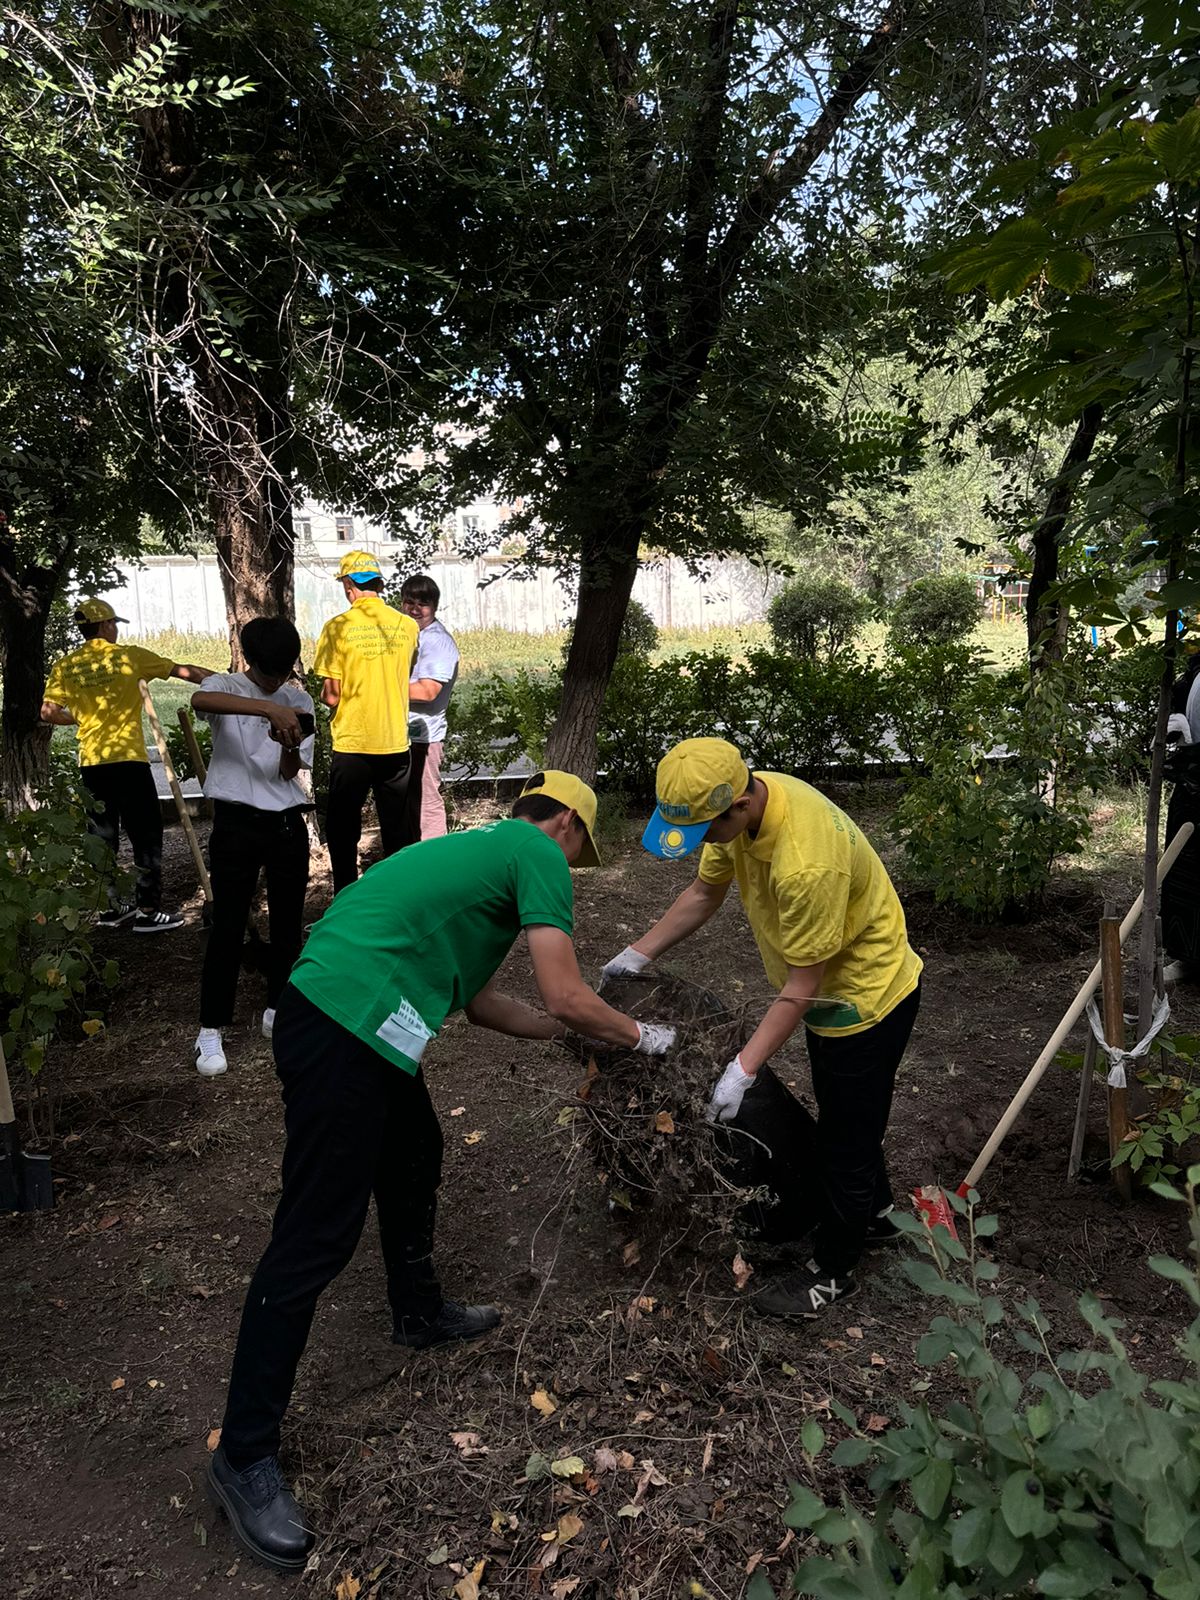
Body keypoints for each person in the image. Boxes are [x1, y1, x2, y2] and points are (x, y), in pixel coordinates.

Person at [208, 770, 676, 1572]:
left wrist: (574, 1040)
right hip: (345, 1025)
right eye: (578, 846)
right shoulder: (536, 852)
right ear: (563, 822)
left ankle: (417, 1309)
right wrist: (641, 1036)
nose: (571, 863)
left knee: (416, 1150)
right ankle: (244, 1455)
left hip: (353, 1016)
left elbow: (488, 1001)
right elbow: (565, 992)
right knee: (315, 1236)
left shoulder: (475, 853)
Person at [605, 737, 922, 1320]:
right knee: (844, 1114)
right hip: (827, 997)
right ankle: (875, 1217)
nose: (701, 840)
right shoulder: (745, 800)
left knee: (847, 1140)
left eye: (704, 829)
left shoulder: (806, 862)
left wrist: (742, 1069)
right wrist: (636, 955)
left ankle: (833, 1273)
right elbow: (704, 891)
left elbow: (804, 984)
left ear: (739, 806)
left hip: (863, 1001)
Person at [189, 618, 316, 1078]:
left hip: (285, 824)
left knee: (288, 923)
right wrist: (266, 711)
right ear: (250, 661)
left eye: (283, 673)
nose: (276, 682)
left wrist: (288, 741)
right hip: (236, 824)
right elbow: (200, 699)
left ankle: (278, 1008)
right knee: (227, 926)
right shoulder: (226, 686)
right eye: (269, 674)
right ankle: (211, 1028)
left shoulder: (298, 699)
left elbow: (288, 773)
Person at [40, 598, 214, 932]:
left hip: (92, 763)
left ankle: (111, 907)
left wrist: (79, 719)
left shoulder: (66, 666)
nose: (116, 629)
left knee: (102, 836)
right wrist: (223, 681)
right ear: (105, 625)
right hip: (128, 761)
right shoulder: (129, 657)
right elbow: (182, 671)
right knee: (145, 833)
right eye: (113, 624)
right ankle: (148, 911)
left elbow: (48, 712)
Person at [313, 550, 419, 892]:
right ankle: (397, 900)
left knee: (343, 829)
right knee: (397, 829)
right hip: (394, 742)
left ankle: (346, 899)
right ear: (378, 583)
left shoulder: (337, 628)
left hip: (353, 743)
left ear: (348, 585)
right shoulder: (408, 625)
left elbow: (331, 695)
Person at [399, 572, 459, 841]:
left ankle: (436, 858)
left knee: (425, 801)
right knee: (406, 802)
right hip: (402, 736)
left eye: (422, 604)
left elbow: (427, 691)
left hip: (424, 737)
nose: (414, 609)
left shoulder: (437, 641)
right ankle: (412, 859)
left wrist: (379, 689)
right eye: (409, 602)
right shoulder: (407, 636)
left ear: (434, 606)